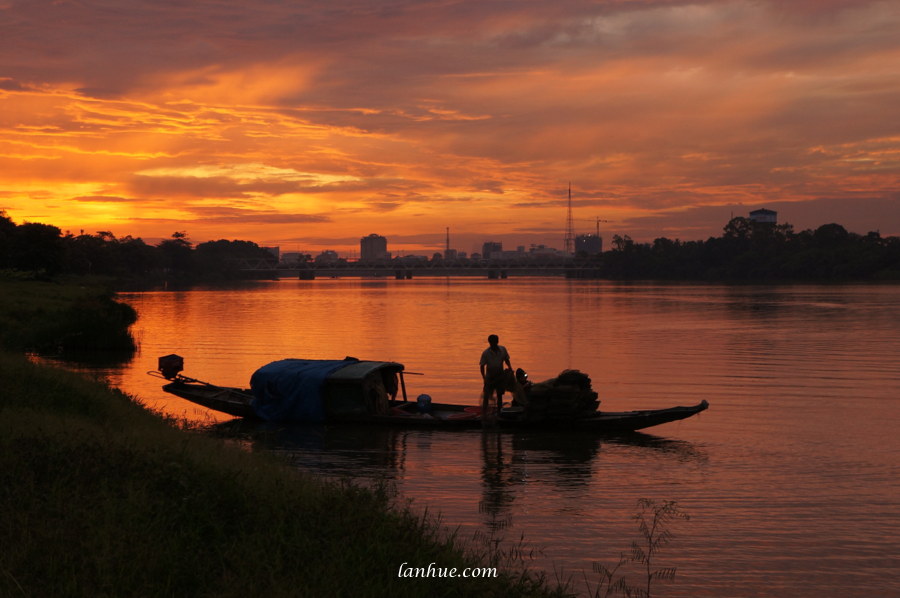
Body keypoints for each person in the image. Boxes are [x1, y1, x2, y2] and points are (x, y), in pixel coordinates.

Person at [480, 334, 512, 419]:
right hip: (489, 377)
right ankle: (484, 414)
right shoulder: (486, 353)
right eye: (491, 343)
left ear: (497, 342)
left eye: (494, 342)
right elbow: (482, 366)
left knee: (499, 395)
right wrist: (484, 378)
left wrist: (510, 368)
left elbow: (506, 359)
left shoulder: (503, 350)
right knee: (486, 396)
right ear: (489, 343)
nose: (493, 344)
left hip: (500, 375)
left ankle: (499, 413)